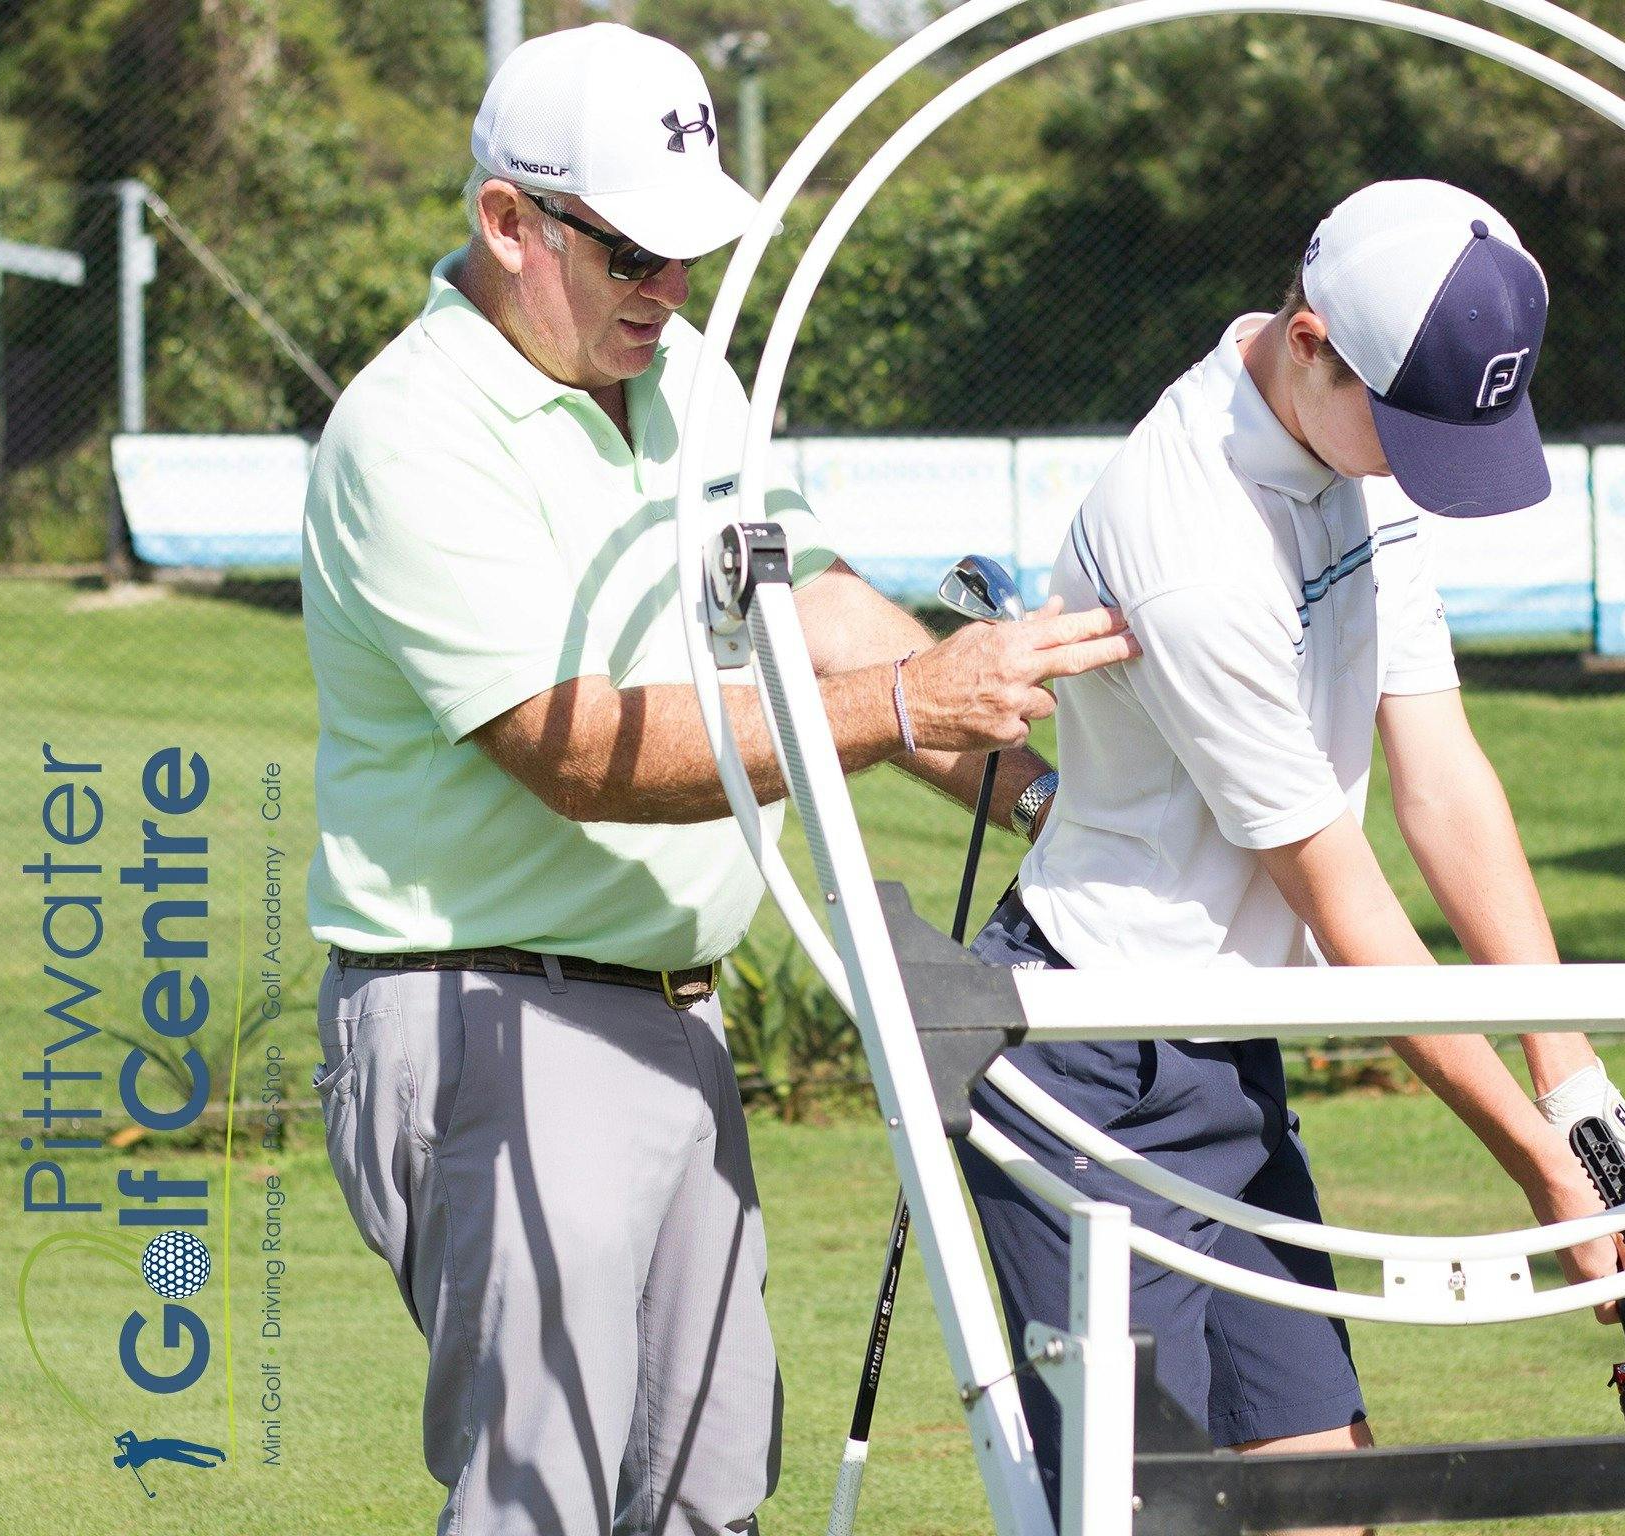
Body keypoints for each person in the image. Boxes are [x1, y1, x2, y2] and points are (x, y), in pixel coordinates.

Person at [301, 24, 1133, 1536]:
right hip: (490, 1007)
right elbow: (574, 748)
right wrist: (902, 702)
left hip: (670, 1008)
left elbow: (806, 599)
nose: (669, 290)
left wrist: (1045, 799)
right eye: (631, 255)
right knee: (538, 1499)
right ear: (507, 222)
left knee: (706, 1494)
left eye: (688, 254)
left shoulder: (677, 370)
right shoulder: (407, 432)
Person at [957, 179, 1625, 1514]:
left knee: (1328, 1498)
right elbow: (1344, 902)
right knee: (1141, 1506)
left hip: (1228, 1046)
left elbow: (1441, 784)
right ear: (1310, 337)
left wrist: (1574, 1080)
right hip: (1092, 1061)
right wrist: (1538, 1167)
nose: (1410, 464)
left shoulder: (1352, 442)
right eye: (1402, 430)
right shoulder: (1189, 540)